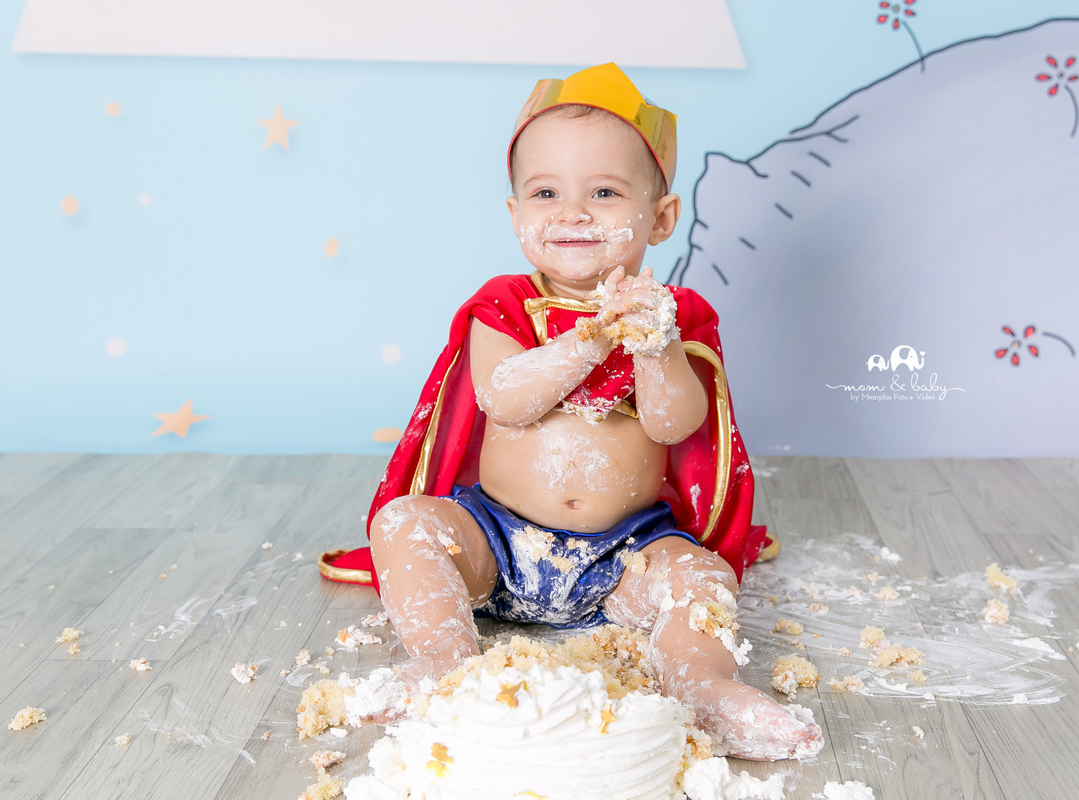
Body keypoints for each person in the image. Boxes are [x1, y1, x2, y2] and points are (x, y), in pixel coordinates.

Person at [319, 63, 822, 760]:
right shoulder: (504, 305)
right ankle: (443, 660)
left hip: (625, 557)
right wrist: (588, 340)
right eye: (546, 192)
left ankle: (702, 686)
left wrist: (653, 345)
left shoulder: (675, 318)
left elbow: (676, 424)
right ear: (515, 213)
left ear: (662, 217)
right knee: (404, 525)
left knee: (700, 577)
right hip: (495, 541)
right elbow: (506, 397)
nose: (573, 212)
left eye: (606, 192)